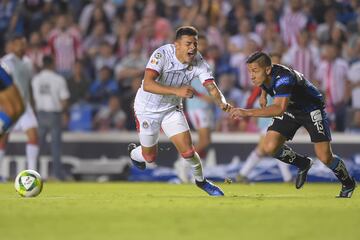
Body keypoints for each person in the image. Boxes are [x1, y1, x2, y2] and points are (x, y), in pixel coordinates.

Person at [230, 51, 356, 198]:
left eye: (255, 71)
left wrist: (246, 112)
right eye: (250, 71)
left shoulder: (284, 78)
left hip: (311, 109)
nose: (251, 76)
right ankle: (303, 163)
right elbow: (264, 82)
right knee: (269, 146)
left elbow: (278, 109)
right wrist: (263, 94)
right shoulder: (266, 74)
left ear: (268, 69)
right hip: (291, 108)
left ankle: (348, 183)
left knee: (325, 156)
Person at [128, 26, 232, 196]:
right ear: (176, 45)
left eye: (195, 44)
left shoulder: (199, 62)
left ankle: (201, 181)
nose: (193, 47)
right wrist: (177, 91)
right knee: (149, 158)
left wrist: (222, 102)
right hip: (147, 109)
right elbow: (147, 84)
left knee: (189, 152)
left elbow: (212, 88)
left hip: (171, 109)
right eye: (188, 44)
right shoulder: (162, 54)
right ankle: (134, 152)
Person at [237, 53, 292, 183]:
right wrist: (246, 118)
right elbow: (253, 98)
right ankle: (288, 178)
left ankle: (242, 174)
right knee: (267, 148)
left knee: (271, 148)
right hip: (268, 118)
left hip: (279, 116)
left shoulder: (284, 77)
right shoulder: (264, 81)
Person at [0, 34, 39, 173]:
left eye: (23, 43)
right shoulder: (5, 62)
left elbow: (28, 85)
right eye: (18, 44)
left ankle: (32, 173)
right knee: (3, 139)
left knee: (33, 135)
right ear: (12, 45)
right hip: (8, 106)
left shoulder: (28, 63)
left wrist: (33, 104)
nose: (21, 46)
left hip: (25, 106)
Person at [32, 55, 70, 181]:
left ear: (43, 64)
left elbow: (32, 99)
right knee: (56, 146)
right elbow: (64, 99)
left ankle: (32, 172)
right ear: (52, 64)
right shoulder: (58, 79)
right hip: (54, 114)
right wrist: (64, 112)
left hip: (40, 114)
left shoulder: (35, 79)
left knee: (37, 146)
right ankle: (57, 174)